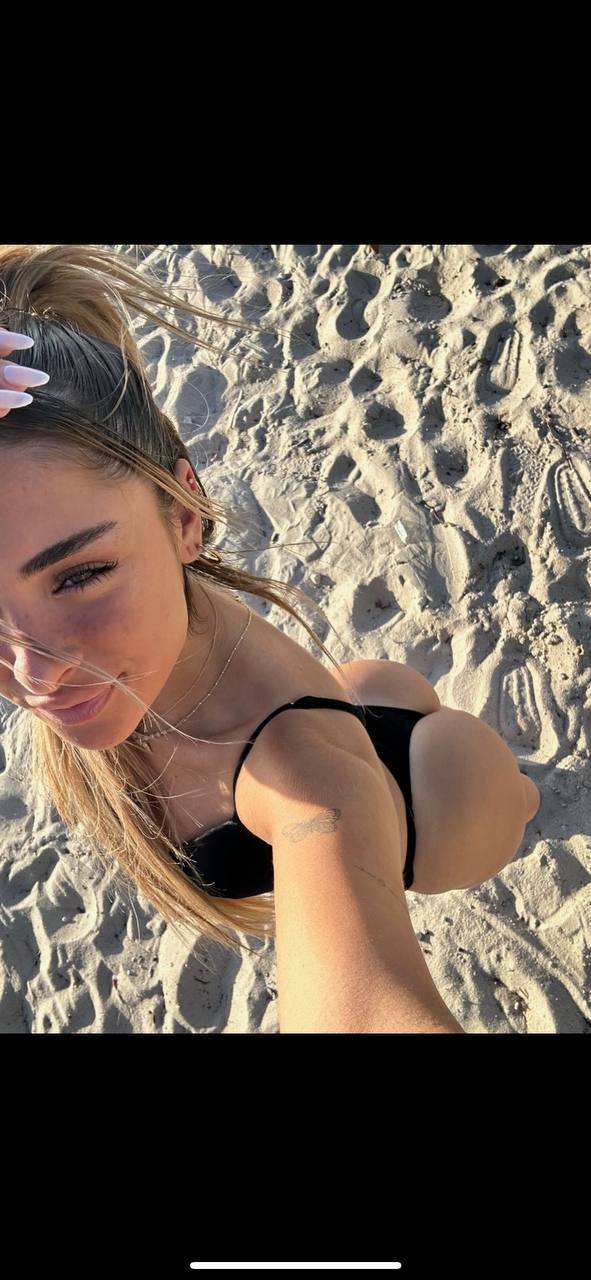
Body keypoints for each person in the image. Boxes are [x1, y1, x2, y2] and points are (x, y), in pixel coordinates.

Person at [0, 245, 540, 1033]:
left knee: (512, 798)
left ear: (185, 516)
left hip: (451, 805)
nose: (32, 669)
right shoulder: (125, 608)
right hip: (361, 695)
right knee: (374, 694)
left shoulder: (305, 775)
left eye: (79, 575)